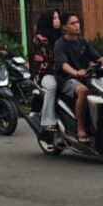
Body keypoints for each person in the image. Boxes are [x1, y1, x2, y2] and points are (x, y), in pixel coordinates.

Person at [54, 12, 103, 145]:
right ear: (65, 27)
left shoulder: (82, 42)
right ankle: (81, 128)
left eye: (77, 22)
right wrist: (76, 73)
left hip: (84, 77)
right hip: (66, 80)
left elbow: (98, 58)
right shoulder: (60, 44)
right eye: (73, 23)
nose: (77, 25)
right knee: (82, 90)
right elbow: (63, 64)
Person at [31, 9, 62, 139]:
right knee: (52, 86)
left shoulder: (62, 35)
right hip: (44, 74)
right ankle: (47, 121)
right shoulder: (40, 39)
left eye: (58, 18)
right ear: (48, 21)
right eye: (55, 18)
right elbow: (42, 61)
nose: (58, 20)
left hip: (62, 71)